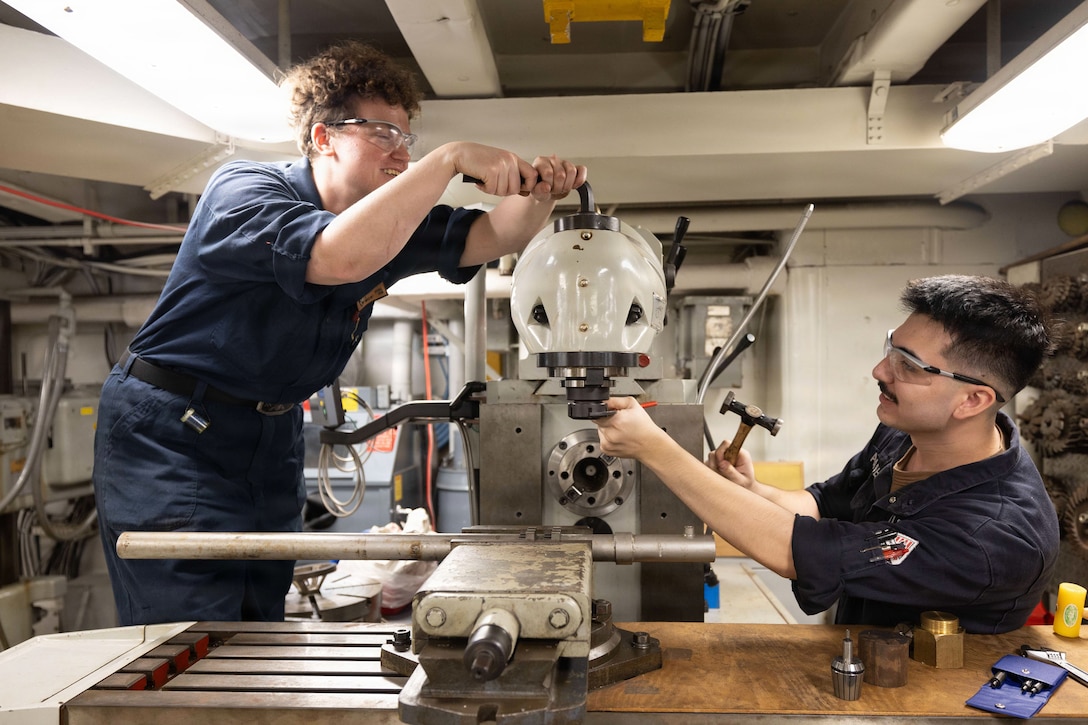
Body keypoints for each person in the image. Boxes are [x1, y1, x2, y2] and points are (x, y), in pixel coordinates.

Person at [93, 40, 587, 625]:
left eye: (408, 140)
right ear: (322, 138)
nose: (400, 154)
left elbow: (492, 235)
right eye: (382, 134)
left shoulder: (390, 224)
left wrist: (538, 196)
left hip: (267, 435)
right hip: (171, 432)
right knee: (188, 629)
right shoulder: (245, 192)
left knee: (256, 622)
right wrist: (450, 158)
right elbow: (335, 257)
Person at [595, 274, 1059, 634]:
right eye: (890, 349)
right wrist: (753, 491)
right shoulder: (905, 435)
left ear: (973, 400)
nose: (880, 370)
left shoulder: (994, 536)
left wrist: (654, 448)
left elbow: (797, 550)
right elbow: (824, 505)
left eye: (908, 365)